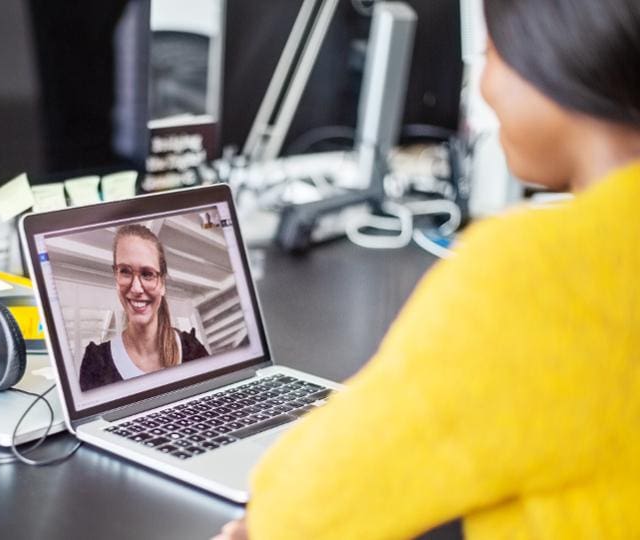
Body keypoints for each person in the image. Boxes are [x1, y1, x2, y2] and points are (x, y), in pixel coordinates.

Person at [215, 0, 640, 538]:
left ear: (557, 59)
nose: (484, 86)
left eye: (491, 54)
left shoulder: (538, 273)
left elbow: (303, 508)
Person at [79, 224, 209, 391]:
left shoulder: (192, 349)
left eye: (147, 274)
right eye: (125, 271)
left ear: (162, 283)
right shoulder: (97, 363)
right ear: (115, 276)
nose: (136, 288)